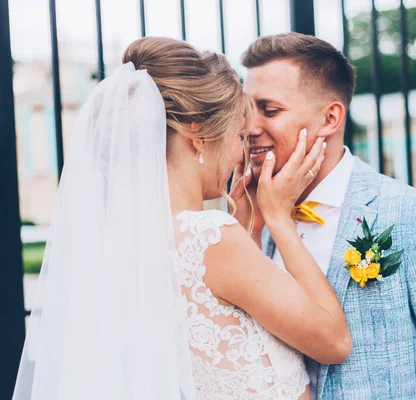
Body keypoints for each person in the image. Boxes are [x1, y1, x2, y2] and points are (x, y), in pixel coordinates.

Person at [12, 37, 351, 400]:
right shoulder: (211, 237)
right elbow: (334, 342)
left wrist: (251, 228)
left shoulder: (121, 239)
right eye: (238, 134)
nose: (242, 152)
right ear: (198, 133)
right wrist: (278, 217)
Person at [240, 32, 416, 399]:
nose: (250, 128)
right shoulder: (256, 221)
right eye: (246, 111)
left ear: (330, 118)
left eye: (269, 110)